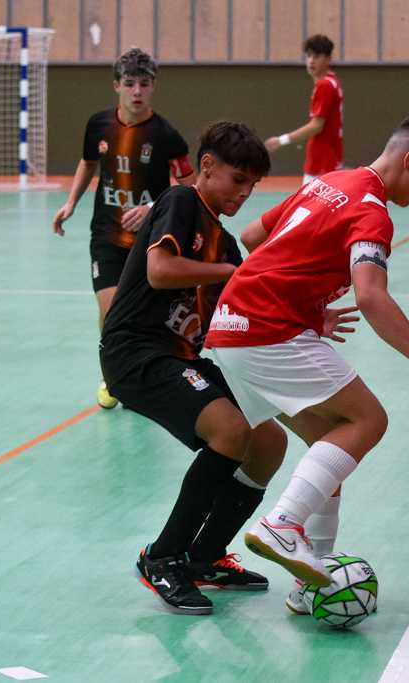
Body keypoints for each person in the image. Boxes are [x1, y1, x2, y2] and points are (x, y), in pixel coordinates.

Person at [204, 112, 409, 593]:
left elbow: (254, 236)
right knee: (369, 420)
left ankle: (315, 581)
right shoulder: (372, 212)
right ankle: (282, 524)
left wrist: (304, 302)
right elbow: (370, 296)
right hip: (266, 328)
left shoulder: (330, 181)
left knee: (330, 446)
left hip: (228, 326)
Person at [99, 121, 353, 615]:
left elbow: (246, 305)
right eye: (238, 180)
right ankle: (162, 557)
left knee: (268, 442)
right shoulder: (181, 202)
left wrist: (310, 317)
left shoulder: (226, 243)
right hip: (136, 352)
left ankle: (204, 556)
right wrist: (232, 272)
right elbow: (160, 270)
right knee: (231, 430)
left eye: (252, 185)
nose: (244, 193)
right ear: (207, 166)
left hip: (182, 357)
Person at [53, 48, 195, 409]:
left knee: (142, 315)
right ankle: (114, 376)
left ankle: (139, 373)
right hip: (106, 235)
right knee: (111, 310)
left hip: (149, 241)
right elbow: (88, 163)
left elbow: (189, 187)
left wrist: (152, 208)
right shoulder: (98, 125)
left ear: (153, 87)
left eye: (144, 84)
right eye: (129, 83)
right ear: (116, 85)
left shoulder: (166, 135)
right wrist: (71, 203)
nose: (137, 91)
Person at [264, 34, 343, 186]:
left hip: (321, 163)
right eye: (309, 56)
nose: (311, 61)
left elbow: (316, 126)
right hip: (329, 160)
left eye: (317, 56)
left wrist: (281, 140)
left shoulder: (324, 86)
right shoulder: (333, 81)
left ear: (328, 59)